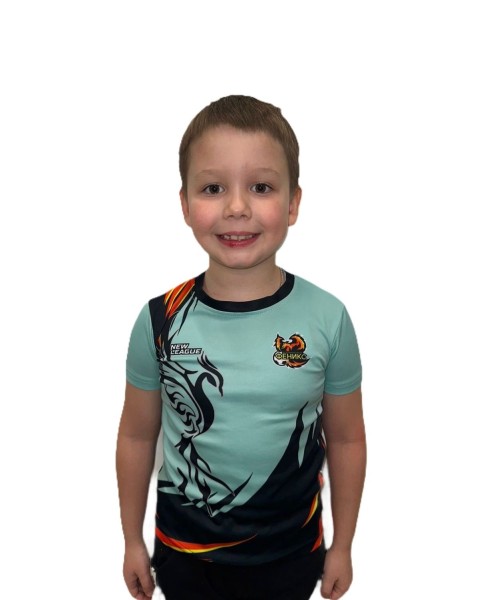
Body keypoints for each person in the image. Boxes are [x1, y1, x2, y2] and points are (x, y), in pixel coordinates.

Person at [116, 95, 366, 600]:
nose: (236, 207)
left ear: (293, 203)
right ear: (185, 204)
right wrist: (131, 541)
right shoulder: (160, 320)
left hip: (291, 555)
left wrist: (342, 546)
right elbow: (137, 437)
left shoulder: (327, 319)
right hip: (184, 555)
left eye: (261, 187)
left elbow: (346, 441)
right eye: (213, 188)